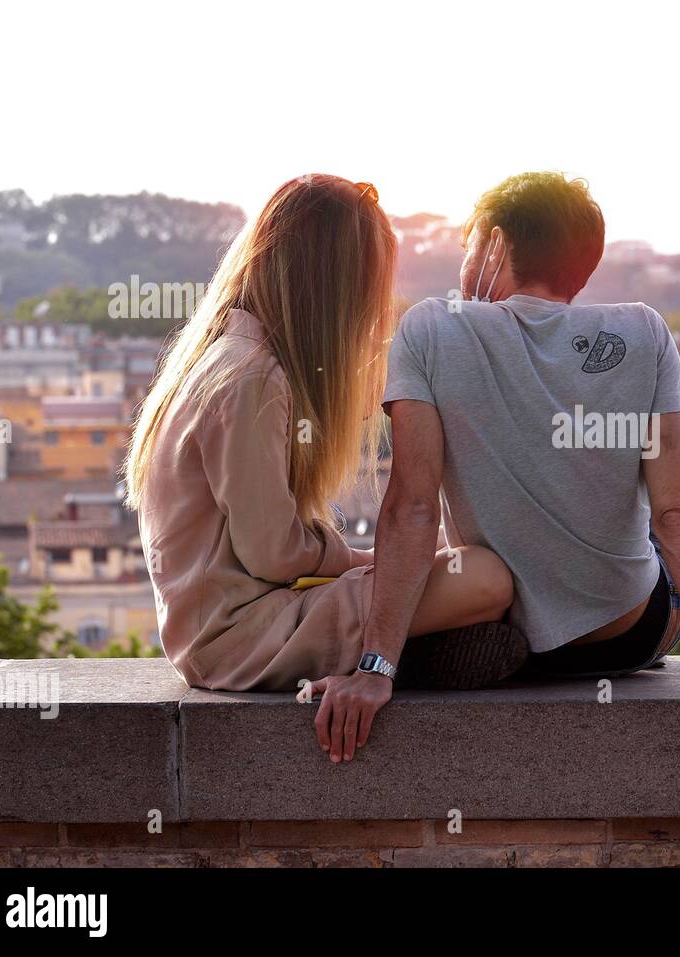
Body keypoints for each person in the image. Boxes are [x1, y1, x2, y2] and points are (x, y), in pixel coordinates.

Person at [309, 172, 680, 761]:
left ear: (495, 245)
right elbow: (679, 510)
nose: (464, 266)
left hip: (501, 618)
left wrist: (376, 669)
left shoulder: (430, 330)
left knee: (468, 576)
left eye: (469, 248)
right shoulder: (643, 332)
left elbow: (412, 506)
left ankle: (450, 647)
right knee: (651, 547)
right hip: (625, 632)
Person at [124, 174, 518, 707]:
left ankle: (405, 647)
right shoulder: (251, 377)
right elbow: (275, 554)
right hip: (245, 640)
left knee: (458, 571)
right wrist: (370, 561)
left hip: (231, 630)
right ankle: (400, 652)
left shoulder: (224, 357)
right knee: (486, 576)